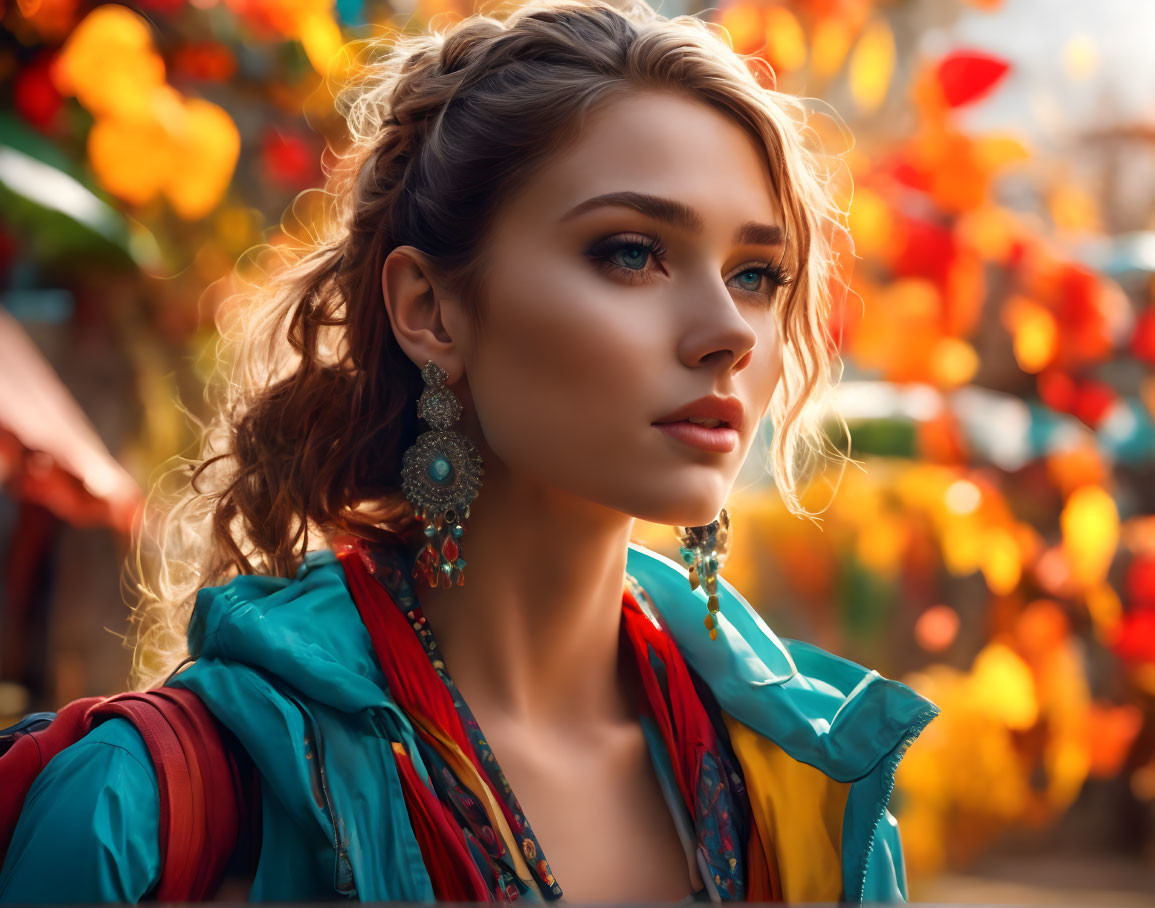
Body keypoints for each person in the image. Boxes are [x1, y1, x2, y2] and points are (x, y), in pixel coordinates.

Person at [0, 0, 939, 902]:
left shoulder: (810, 794)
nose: (728, 330)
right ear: (430, 310)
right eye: (630, 252)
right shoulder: (152, 810)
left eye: (755, 274)